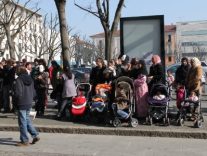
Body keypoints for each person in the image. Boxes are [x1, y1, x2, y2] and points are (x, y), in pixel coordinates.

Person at [14, 66, 39, 146]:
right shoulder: (30, 78)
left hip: (22, 102)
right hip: (29, 101)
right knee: (27, 119)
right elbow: (34, 91)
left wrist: (15, 102)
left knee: (22, 122)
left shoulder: (19, 79)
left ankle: (24, 140)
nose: (15, 72)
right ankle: (35, 135)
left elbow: (18, 93)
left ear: (19, 72)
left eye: (16, 71)